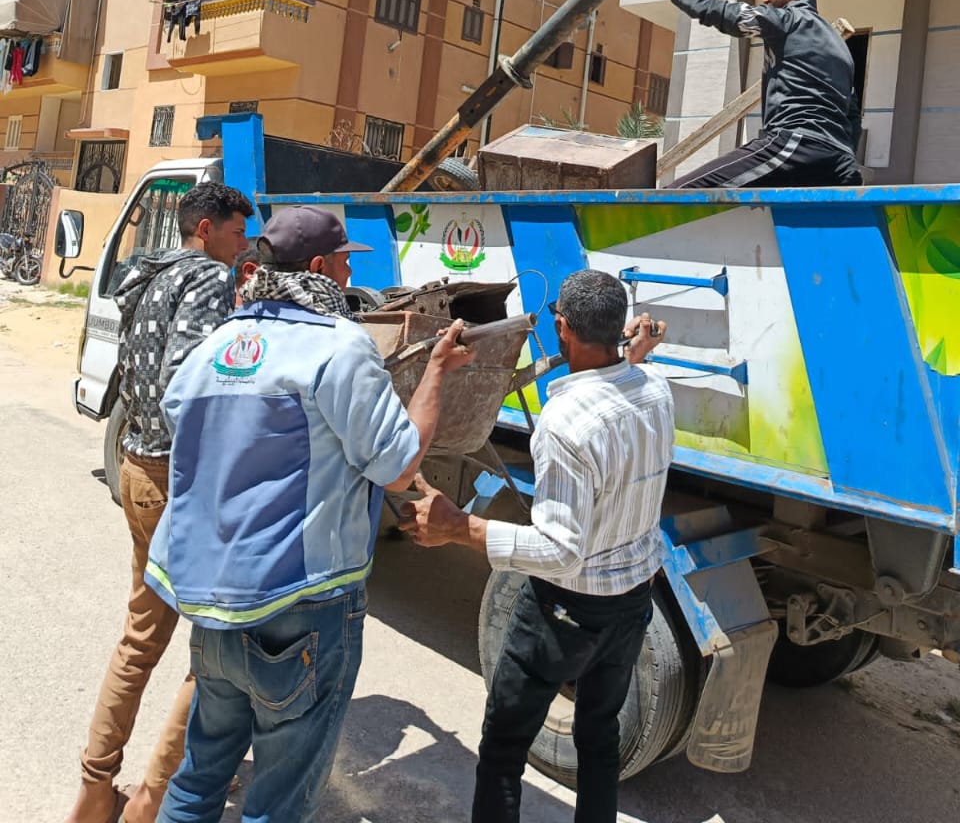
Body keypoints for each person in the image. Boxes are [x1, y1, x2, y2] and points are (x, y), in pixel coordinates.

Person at [144, 205, 474, 823]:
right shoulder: (339, 344)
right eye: (347, 260)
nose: (352, 273)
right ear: (320, 267)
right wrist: (435, 374)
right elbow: (399, 467)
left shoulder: (218, 343)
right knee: (277, 802)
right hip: (301, 606)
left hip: (213, 603)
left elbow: (182, 424)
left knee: (198, 781)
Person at [400, 269, 672, 823]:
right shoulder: (656, 390)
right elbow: (619, 391)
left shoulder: (564, 422)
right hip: (632, 603)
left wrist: (459, 527)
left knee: (503, 748)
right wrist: (633, 359)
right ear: (618, 329)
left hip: (567, 611)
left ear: (562, 327)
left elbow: (559, 551)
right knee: (599, 739)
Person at [66, 182, 254, 823]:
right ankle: (152, 799)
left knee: (140, 639)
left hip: (139, 469)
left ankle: (95, 790)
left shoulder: (147, 277)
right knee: (217, 652)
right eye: (235, 233)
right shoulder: (206, 279)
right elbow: (187, 384)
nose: (243, 245)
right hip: (180, 478)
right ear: (206, 230)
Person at [627, 0, 862, 188]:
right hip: (840, 161)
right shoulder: (840, 47)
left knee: (674, 197)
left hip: (796, 144)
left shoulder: (788, 21)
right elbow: (852, 116)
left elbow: (712, 10)